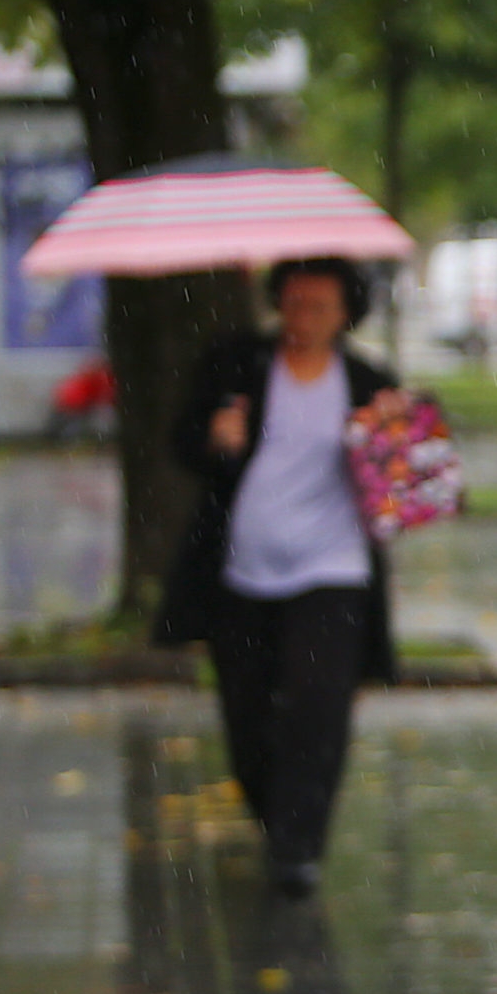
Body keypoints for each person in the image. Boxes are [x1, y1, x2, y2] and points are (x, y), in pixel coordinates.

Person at [157, 258, 406, 898]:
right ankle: (276, 817)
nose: (303, 318)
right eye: (293, 303)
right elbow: (180, 442)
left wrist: (390, 448)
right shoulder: (236, 365)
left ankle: (299, 846)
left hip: (335, 569)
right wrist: (217, 435)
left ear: (346, 314)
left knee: (318, 708)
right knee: (247, 714)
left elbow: (402, 486)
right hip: (243, 570)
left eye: (319, 306)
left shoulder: (369, 382)